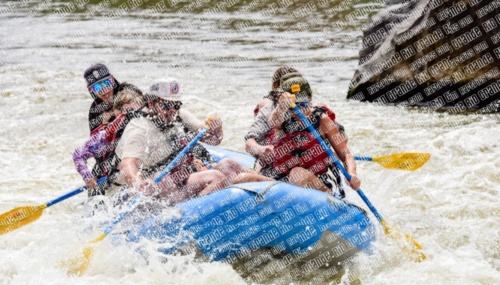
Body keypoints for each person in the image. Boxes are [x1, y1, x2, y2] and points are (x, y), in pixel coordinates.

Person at [116, 78, 251, 204]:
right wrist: (139, 184)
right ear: (151, 103)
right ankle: (193, 212)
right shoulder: (139, 128)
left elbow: (212, 140)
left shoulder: (180, 116)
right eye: (168, 104)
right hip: (158, 184)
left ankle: (267, 182)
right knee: (215, 177)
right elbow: (127, 165)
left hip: (180, 175)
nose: (173, 110)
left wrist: (217, 128)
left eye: (177, 104)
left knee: (229, 165)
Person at [262, 74, 361, 195]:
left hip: (318, 182)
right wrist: (282, 107)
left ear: (310, 99)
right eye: (294, 106)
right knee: (242, 178)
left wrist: (352, 174)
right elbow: (273, 122)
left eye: (302, 104)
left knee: (297, 173)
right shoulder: (282, 117)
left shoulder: (322, 120)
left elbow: (346, 154)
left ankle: (329, 197)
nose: (298, 110)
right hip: (284, 180)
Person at [73, 89, 148, 192]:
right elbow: (78, 155)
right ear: (117, 113)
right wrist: (87, 176)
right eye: (130, 112)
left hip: (138, 180)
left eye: (139, 113)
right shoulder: (105, 136)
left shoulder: (146, 127)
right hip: (113, 188)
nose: (136, 118)